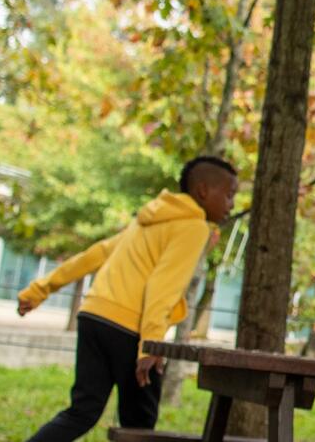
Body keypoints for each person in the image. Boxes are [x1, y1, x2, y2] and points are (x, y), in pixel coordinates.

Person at [15, 155, 237, 442]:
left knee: (82, 412)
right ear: (204, 191)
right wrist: (150, 345)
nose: (231, 204)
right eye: (229, 195)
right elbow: (162, 286)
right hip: (128, 329)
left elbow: (97, 253)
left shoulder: (152, 216)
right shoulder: (194, 227)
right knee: (139, 427)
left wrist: (40, 289)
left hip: (94, 315)